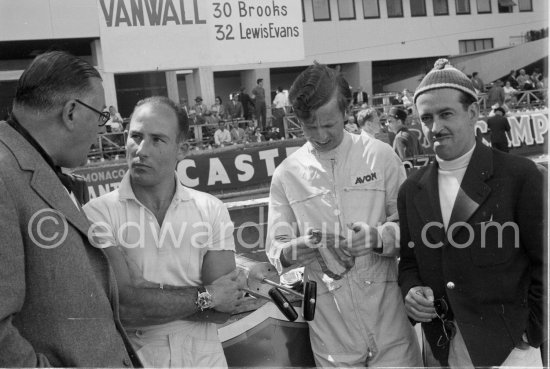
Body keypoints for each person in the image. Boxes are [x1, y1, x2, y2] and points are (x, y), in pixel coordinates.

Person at [265, 63, 422, 367]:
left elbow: (414, 231)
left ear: (346, 111)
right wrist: (299, 248)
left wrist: (378, 238)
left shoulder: (380, 155)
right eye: (310, 126)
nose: (321, 135)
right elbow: (275, 250)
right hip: (331, 331)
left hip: (390, 321)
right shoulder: (286, 175)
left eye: (329, 123)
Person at [83, 96, 254, 368]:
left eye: (157, 140)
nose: (141, 149)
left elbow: (223, 309)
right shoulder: (97, 214)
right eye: (135, 136)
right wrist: (207, 295)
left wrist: (145, 292)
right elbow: (125, 308)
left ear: (182, 149)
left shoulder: (211, 209)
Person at [398, 59, 546, 367]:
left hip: (511, 351)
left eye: (446, 114)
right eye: (426, 118)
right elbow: (410, 261)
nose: (435, 127)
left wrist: (532, 331)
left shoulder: (520, 175)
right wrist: (412, 289)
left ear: (473, 113)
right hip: (444, 348)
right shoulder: (412, 189)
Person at [0, 50, 140, 367]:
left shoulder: (31, 164)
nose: (102, 129)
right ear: (72, 113)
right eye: (100, 116)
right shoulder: (4, 175)